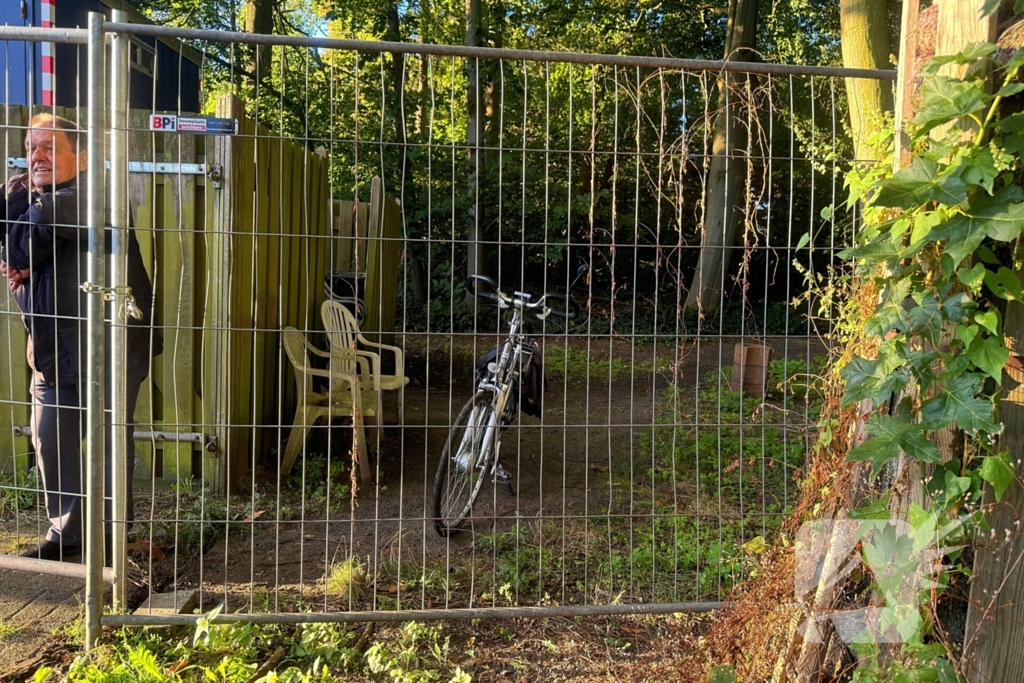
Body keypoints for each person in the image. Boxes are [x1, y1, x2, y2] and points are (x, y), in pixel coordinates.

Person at [0, 113, 160, 561]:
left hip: (112, 345)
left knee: (110, 438)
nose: (38, 156)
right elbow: (19, 240)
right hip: (53, 346)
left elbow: (25, 242)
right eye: (32, 147)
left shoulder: (96, 195)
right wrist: (20, 214)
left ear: (83, 157)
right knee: (50, 436)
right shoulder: (29, 194)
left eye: (51, 146)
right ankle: (67, 535)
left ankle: (110, 539)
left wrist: (21, 233)